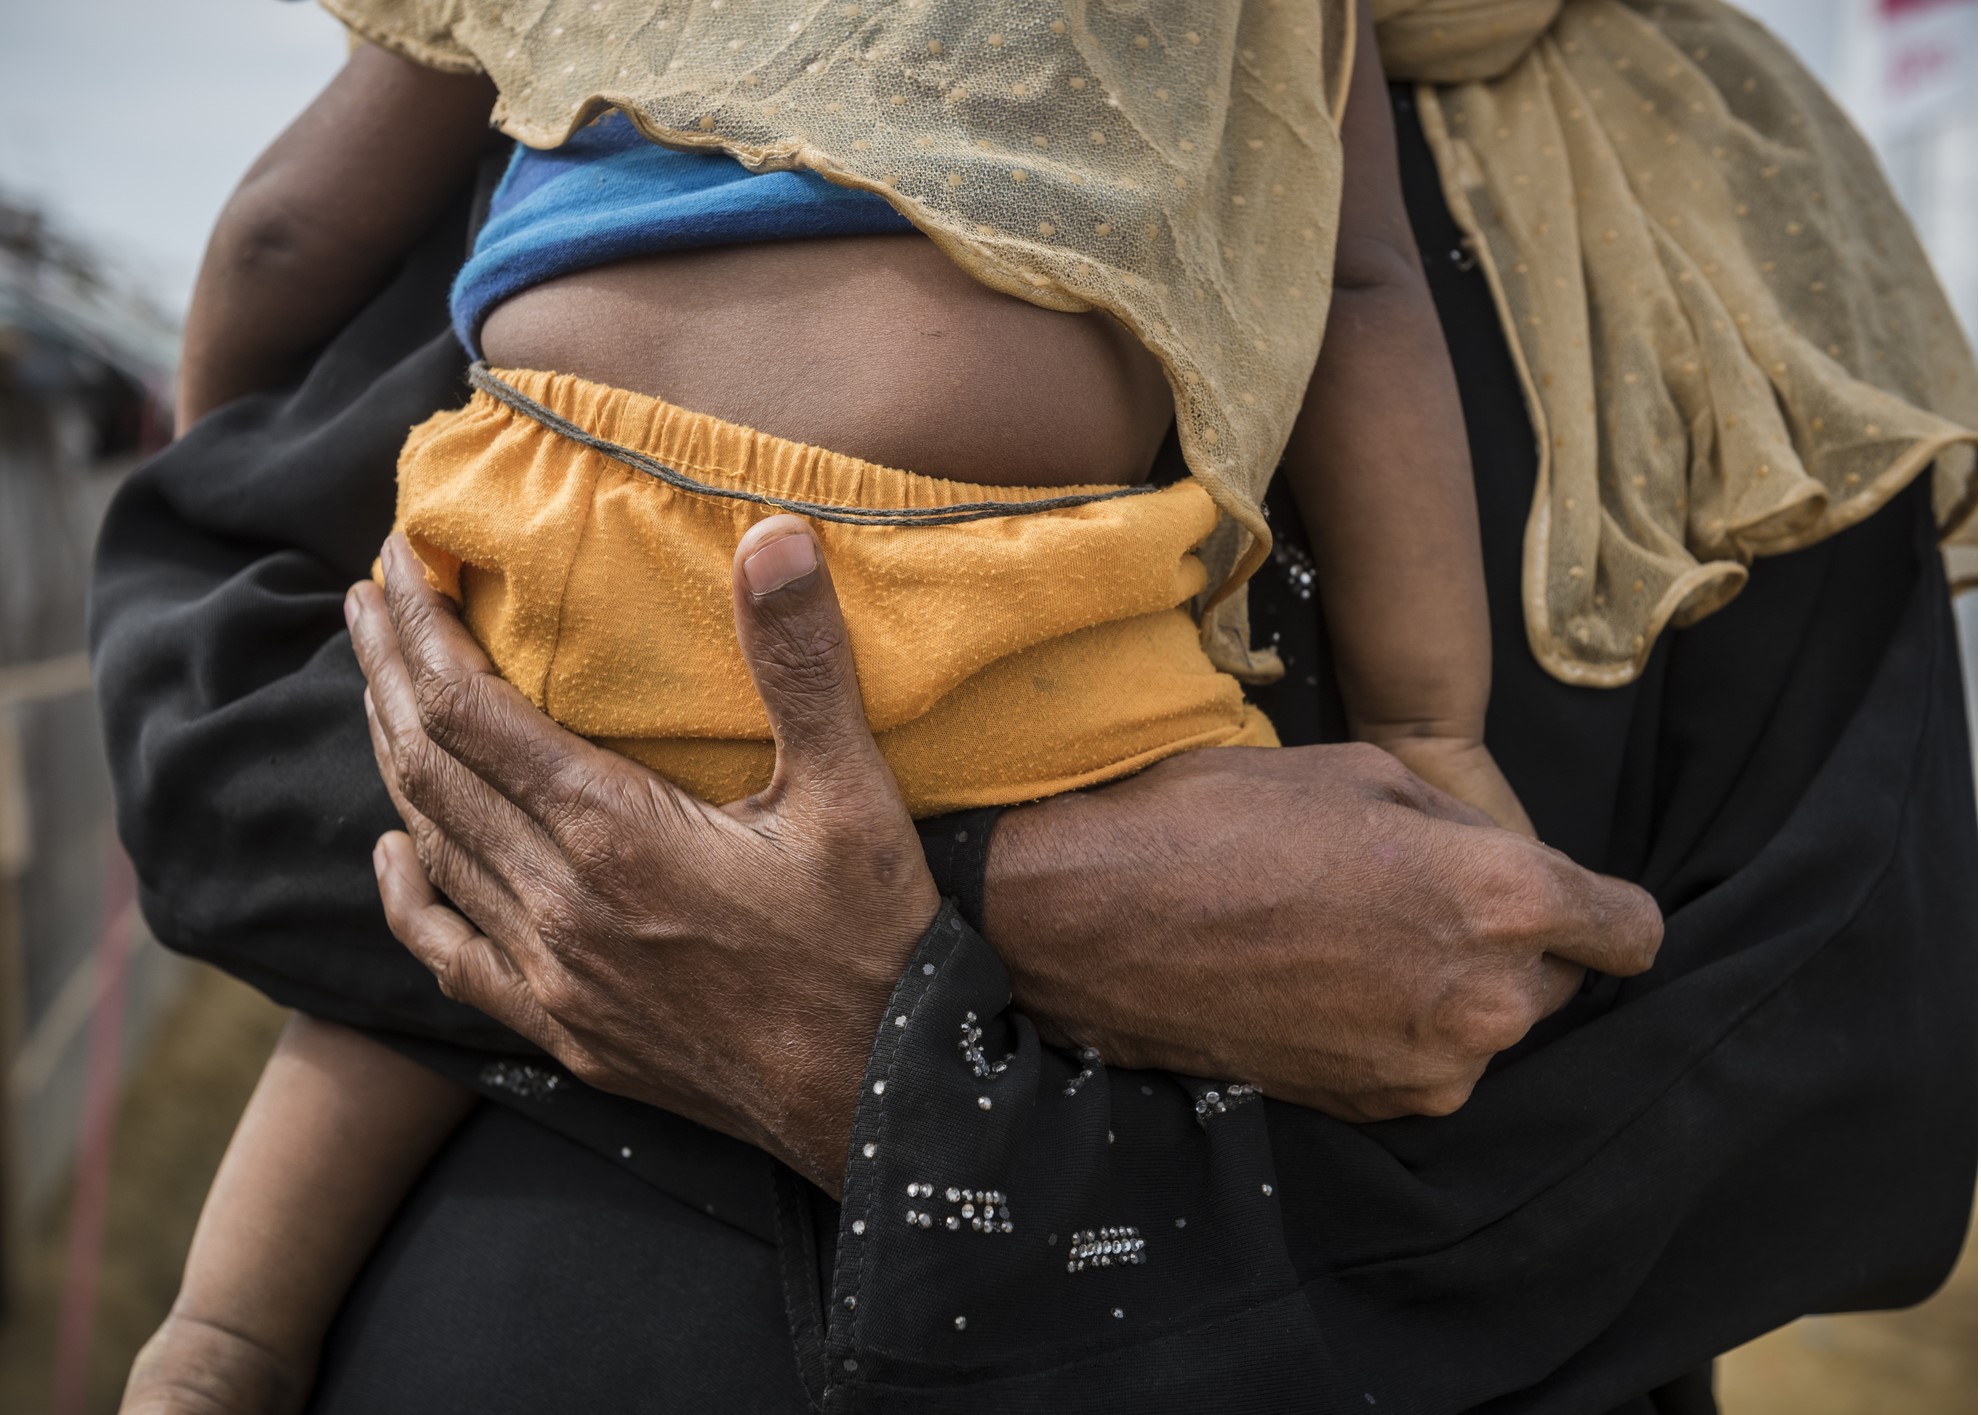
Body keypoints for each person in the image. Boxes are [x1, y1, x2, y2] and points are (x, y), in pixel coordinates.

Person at [95, 3, 1973, 1412]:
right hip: (588, 1321)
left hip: (1371, 1354)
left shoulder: (1741, 234)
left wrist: (927, 1051)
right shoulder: (642, 55)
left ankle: (217, 1332)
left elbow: (1843, 1100)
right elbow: (224, 703)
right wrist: (1018, 900)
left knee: (421, 961)